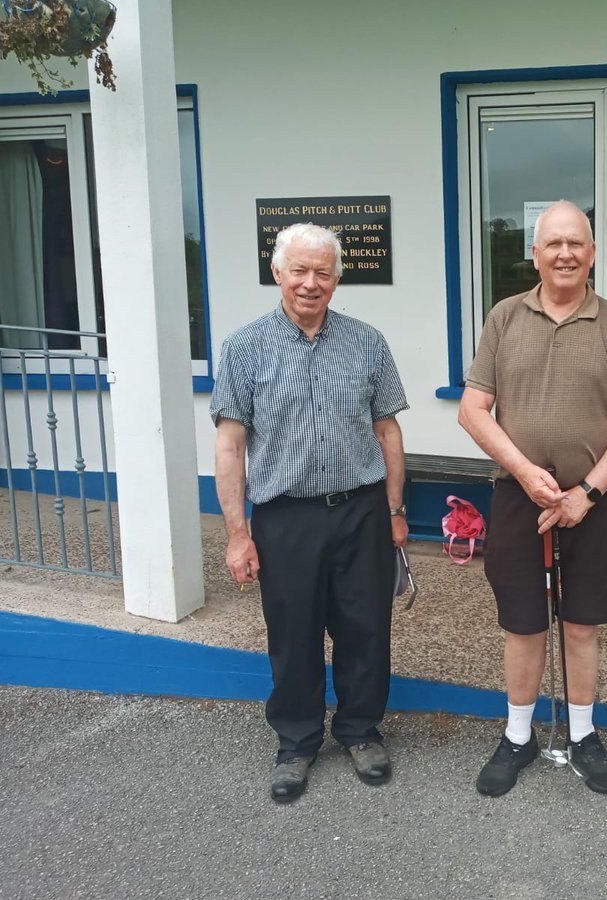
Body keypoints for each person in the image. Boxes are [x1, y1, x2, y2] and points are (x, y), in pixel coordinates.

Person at [211, 222, 409, 804]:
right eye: (298, 269)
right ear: (277, 272)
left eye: (323, 272)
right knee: (293, 633)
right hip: (285, 517)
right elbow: (229, 445)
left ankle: (360, 730)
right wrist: (236, 534)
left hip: (361, 510)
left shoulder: (368, 342)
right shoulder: (244, 347)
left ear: (338, 278)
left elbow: (389, 431)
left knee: (365, 628)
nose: (310, 283)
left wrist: (396, 509)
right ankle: (296, 743)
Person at [458, 200, 607, 797]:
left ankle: (584, 734)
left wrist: (585, 493)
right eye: (553, 244)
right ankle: (518, 736)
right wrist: (521, 471)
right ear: (534, 254)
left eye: (577, 243)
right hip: (519, 497)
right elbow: (473, 410)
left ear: (593, 254)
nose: (565, 253)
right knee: (523, 624)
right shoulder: (504, 317)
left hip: (595, 501)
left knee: (583, 623)